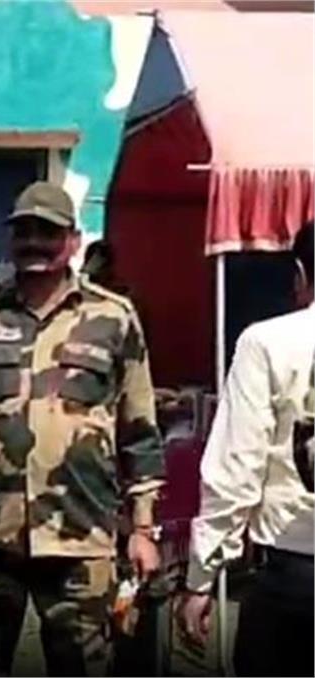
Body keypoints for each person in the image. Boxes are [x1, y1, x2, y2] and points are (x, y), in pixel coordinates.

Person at [0, 181, 166, 676]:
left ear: (73, 240)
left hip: (81, 535)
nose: (35, 243)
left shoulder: (113, 317)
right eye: (24, 232)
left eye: (48, 232)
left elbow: (140, 428)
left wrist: (143, 530)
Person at [179, 221, 314, 677]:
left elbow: (237, 469)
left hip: (295, 573)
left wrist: (201, 577)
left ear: (300, 275)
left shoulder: (268, 343)